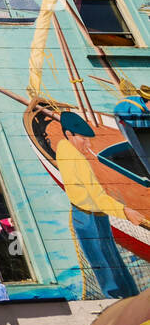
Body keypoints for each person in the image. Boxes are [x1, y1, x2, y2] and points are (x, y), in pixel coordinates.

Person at [39, 108, 145, 299]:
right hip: (87, 216)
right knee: (105, 262)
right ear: (69, 134)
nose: (87, 144)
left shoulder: (64, 148)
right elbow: (97, 196)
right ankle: (119, 299)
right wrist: (125, 211)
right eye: (83, 139)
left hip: (93, 214)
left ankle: (128, 296)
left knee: (110, 259)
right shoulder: (75, 158)